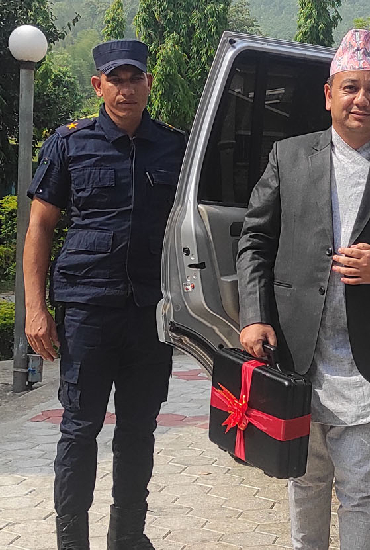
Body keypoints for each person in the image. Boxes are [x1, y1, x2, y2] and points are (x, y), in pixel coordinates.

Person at [235, 29, 370, 550]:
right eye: (351, 87)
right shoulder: (289, 157)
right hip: (297, 358)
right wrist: (254, 315)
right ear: (328, 94)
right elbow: (254, 239)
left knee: (362, 492)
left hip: (369, 365)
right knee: (305, 481)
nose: (362, 99)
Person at [23, 39, 186, 550]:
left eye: (135, 79)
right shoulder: (70, 144)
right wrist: (35, 309)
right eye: (116, 79)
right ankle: (72, 541)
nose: (126, 89)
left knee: (139, 430)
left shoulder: (175, 146)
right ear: (98, 85)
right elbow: (39, 228)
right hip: (87, 310)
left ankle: (128, 537)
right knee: (79, 428)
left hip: (149, 313)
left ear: (148, 84)